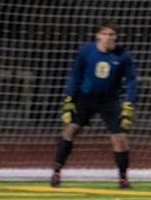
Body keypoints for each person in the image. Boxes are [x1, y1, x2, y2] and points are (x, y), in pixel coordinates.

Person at [50, 20, 138, 189]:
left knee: (120, 139)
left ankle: (123, 177)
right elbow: (75, 75)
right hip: (86, 97)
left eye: (111, 35)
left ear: (116, 37)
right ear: (98, 36)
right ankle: (56, 171)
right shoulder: (86, 51)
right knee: (70, 130)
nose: (107, 38)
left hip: (110, 100)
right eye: (104, 34)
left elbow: (132, 81)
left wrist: (129, 104)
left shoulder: (123, 56)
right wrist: (69, 99)